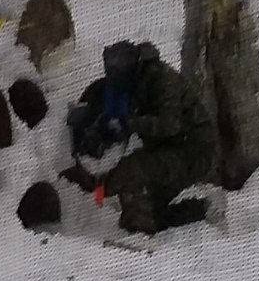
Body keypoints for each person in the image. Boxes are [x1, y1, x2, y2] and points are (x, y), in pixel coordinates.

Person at [65, 39, 219, 235]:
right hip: (167, 149)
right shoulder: (124, 84)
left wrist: (129, 123)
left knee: (132, 171)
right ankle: (202, 209)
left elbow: (170, 125)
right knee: (151, 207)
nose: (114, 80)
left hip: (193, 150)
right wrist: (92, 128)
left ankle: (140, 234)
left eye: (117, 75)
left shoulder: (163, 81)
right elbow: (109, 115)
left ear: (133, 67)